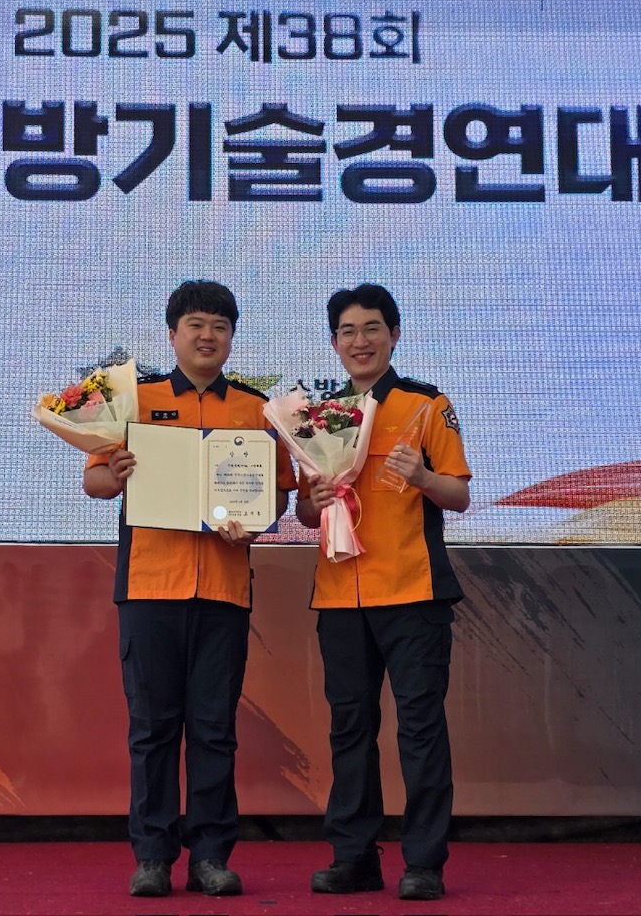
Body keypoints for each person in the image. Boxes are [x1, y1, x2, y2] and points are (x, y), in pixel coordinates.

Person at [84, 279, 295, 899]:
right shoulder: (134, 401)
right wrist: (115, 471)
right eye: (196, 325)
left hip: (223, 591)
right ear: (173, 334)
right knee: (152, 729)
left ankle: (210, 857)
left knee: (214, 729)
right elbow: (95, 482)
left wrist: (256, 520)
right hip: (149, 587)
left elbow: (277, 496)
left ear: (232, 337)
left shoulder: (256, 410)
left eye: (220, 327)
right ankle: (152, 857)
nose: (208, 336)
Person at [295, 283, 471, 902]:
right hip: (341, 595)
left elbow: (459, 494)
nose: (360, 341)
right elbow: (308, 513)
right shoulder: (321, 417)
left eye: (372, 328)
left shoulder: (427, 405)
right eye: (347, 331)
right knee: (349, 730)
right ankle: (354, 858)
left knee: (420, 730)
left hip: (413, 592)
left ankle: (423, 863)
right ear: (334, 343)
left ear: (393, 335)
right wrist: (312, 501)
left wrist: (422, 476)